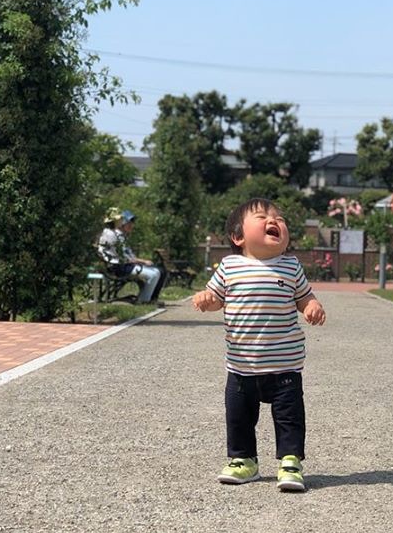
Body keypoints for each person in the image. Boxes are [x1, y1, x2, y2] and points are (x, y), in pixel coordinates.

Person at [192, 198, 326, 492]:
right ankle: (243, 460)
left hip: (285, 364)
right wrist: (207, 300)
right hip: (241, 365)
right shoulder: (230, 266)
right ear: (238, 237)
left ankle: (290, 461)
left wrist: (312, 305)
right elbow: (217, 298)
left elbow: (303, 297)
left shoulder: (290, 266)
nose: (274, 221)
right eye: (263, 216)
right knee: (238, 416)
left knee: (290, 416)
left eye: (279, 218)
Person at [97, 208, 163, 304]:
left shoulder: (113, 233)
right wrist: (142, 261)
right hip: (118, 267)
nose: (122, 221)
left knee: (156, 272)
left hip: (119, 265)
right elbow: (124, 257)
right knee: (153, 274)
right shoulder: (112, 235)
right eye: (120, 219)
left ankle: (146, 299)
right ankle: (143, 301)